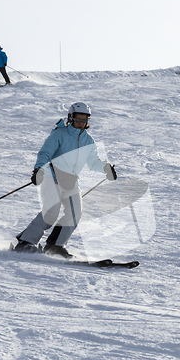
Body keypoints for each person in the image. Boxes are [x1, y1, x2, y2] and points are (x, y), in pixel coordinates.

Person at [14, 101, 118, 258]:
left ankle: (55, 245)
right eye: (78, 120)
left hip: (71, 181)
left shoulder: (88, 141)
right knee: (51, 212)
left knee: (76, 213)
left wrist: (106, 168)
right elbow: (45, 153)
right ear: (70, 118)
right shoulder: (59, 134)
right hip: (51, 177)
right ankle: (25, 242)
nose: (81, 123)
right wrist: (38, 169)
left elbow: (93, 162)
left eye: (84, 120)